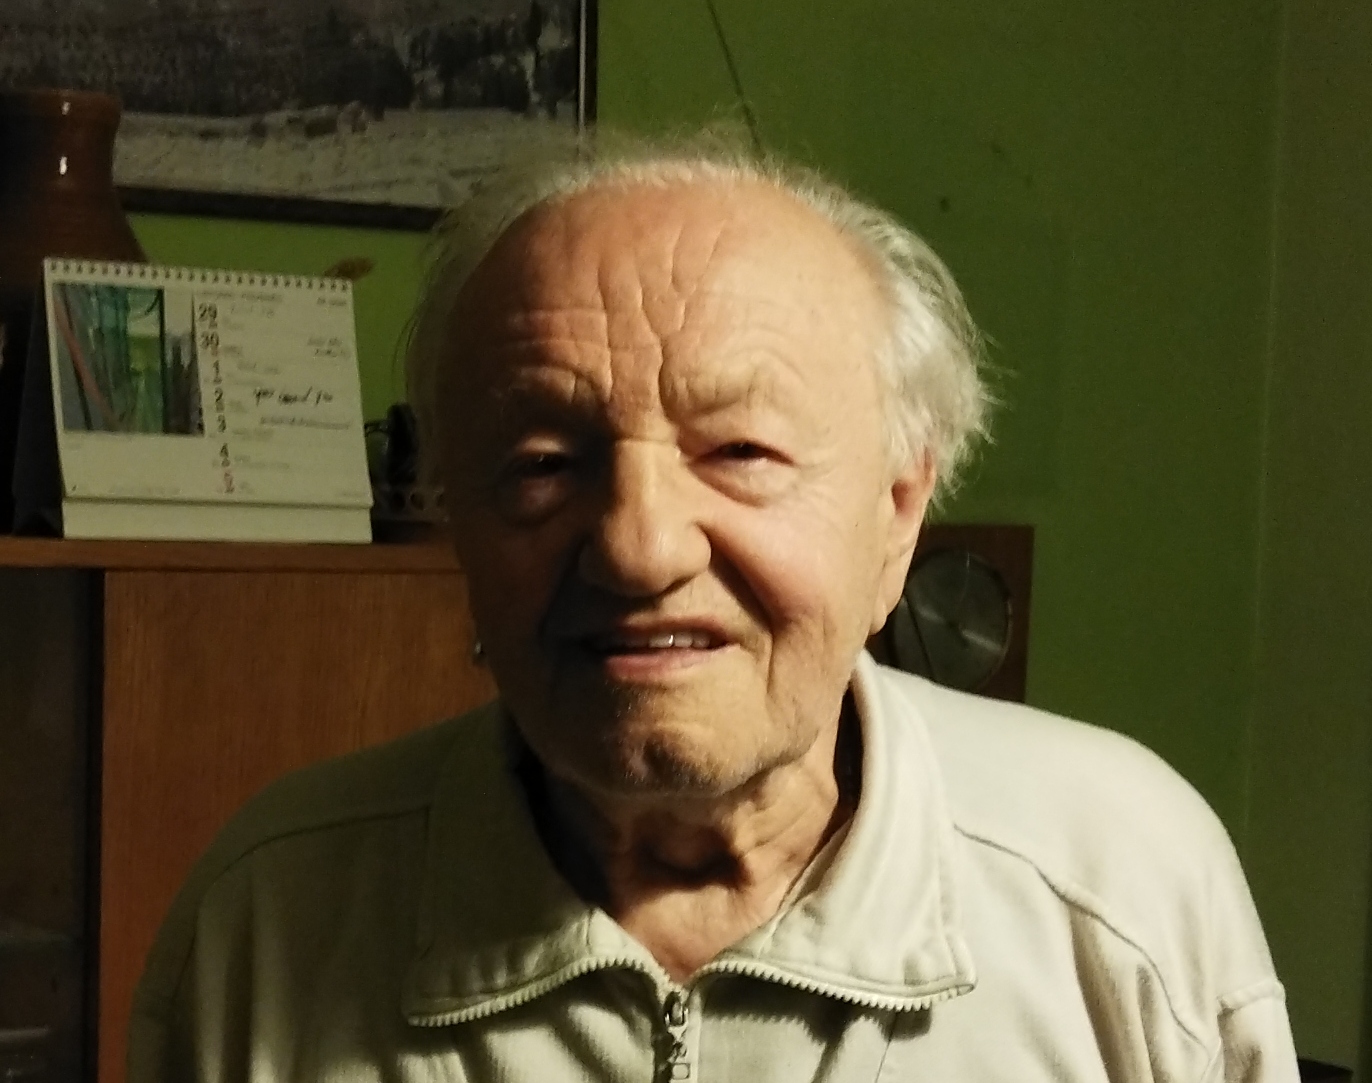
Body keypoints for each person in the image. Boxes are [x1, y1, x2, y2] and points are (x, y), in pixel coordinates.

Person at [128, 139, 1300, 1081]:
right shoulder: (272, 919)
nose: (637, 548)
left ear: (897, 514)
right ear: (457, 522)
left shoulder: (1116, 884)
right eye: (542, 464)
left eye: (739, 451)